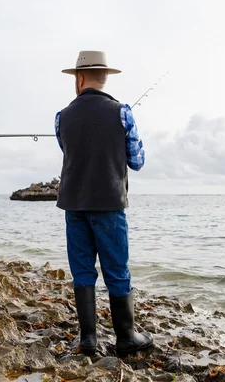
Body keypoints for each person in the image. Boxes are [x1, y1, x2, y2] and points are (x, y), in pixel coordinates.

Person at [55, 51, 153, 357]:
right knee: (116, 270)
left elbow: (68, 151)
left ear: (79, 78)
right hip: (109, 203)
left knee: (83, 272)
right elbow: (136, 161)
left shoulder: (62, 116)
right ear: (105, 77)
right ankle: (125, 338)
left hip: (74, 203)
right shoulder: (122, 112)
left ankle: (88, 340)